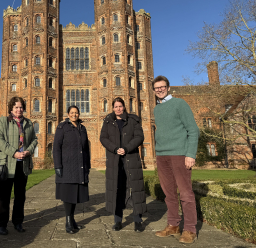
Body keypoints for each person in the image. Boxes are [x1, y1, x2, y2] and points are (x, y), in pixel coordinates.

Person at [153, 75, 199, 244]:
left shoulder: (180, 104)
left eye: (162, 86)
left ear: (168, 87)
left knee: (186, 193)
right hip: (162, 155)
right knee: (169, 193)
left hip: (179, 154)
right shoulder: (156, 109)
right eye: (156, 88)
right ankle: (173, 225)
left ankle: (190, 229)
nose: (159, 89)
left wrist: (190, 154)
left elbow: (193, 130)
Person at [100, 97, 147, 232]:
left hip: (130, 159)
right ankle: (118, 220)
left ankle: (137, 220)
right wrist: (115, 149)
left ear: (124, 107)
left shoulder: (133, 120)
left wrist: (126, 148)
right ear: (113, 108)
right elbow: (103, 138)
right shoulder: (108, 121)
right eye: (116, 107)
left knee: (135, 189)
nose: (118, 109)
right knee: (117, 189)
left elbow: (139, 137)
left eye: (120, 106)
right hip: (115, 161)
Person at [0, 96, 37, 235]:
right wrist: (14, 153)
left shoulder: (29, 123)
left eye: (21, 107)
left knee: (20, 196)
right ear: (11, 108)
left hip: (23, 164)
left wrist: (28, 151)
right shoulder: (3, 121)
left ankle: (18, 222)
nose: (19, 109)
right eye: (16, 107)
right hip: (7, 163)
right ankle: (1, 224)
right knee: (4, 196)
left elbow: (34, 140)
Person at [53, 105, 91, 234]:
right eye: (72, 112)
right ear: (68, 114)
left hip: (80, 166)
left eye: (76, 113)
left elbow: (86, 149)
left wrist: (88, 165)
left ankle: (73, 220)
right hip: (67, 166)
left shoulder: (82, 128)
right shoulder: (62, 127)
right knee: (68, 195)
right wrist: (57, 165)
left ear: (78, 114)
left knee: (75, 194)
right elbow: (56, 147)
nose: (74, 115)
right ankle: (68, 222)